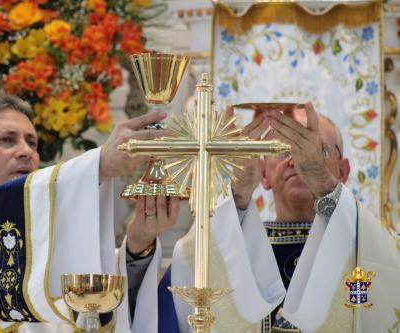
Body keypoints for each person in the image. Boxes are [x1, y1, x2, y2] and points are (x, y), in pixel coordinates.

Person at [0, 93, 179, 333]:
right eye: (7, 140)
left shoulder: (51, 240)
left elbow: (105, 317)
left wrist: (137, 245)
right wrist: (96, 166)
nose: (26, 152)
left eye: (32, 142)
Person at [159, 102, 399, 332]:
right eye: (281, 149)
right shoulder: (232, 246)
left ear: (343, 171)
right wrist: (239, 192)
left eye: (315, 148)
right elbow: (189, 269)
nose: (295, 159)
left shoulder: (373, 246)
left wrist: (324, 184)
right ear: (263, 174)